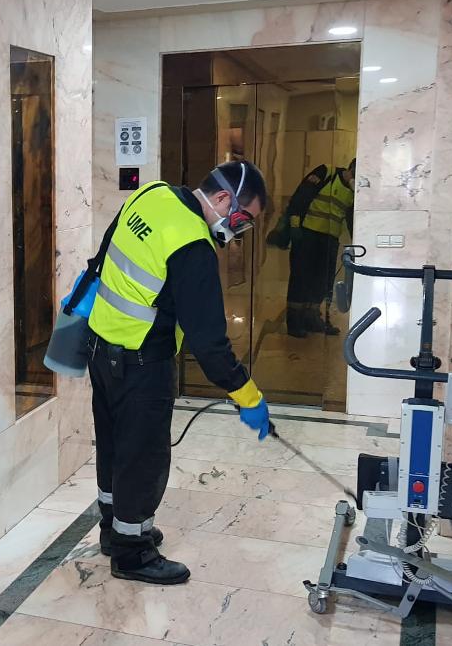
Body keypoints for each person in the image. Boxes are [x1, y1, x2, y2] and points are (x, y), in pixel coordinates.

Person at [86, 160, 270, 585]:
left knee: (113, 447)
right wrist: (248, 397)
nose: (240, 229)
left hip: (101, 345)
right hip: (142, 363)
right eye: (243, 219)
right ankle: (132, 553)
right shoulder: (193, 245)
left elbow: (104, 255)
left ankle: (114, 532)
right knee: (143, 457)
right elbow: (209, 343)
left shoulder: (152, 194)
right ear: (222, 199)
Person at [285, 158, 355, 338]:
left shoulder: (354, 192)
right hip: (307, 233)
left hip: (330, 239)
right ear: (350, 169)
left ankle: (313, 318)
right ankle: (294, 321)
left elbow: (352, 219)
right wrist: (294, 224)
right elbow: (301, 196)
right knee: (301, 277)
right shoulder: (326, 172)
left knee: (323, 281)